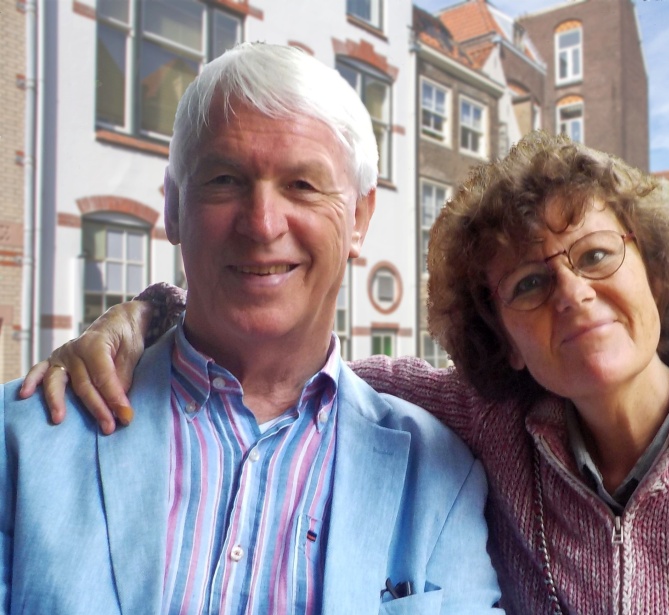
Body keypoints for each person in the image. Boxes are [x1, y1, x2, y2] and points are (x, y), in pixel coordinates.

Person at [23, 132, 669, 613]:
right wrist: (146, 317)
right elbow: (298, 360)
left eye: (596, 254)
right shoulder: (493, 421)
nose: (572, 293)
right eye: (530, 283)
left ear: (653, 272)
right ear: (504, 339)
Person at [1, 42, 504, 614]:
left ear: (360, 218)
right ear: (172, 206)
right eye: (224, 179)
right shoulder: (21, 438)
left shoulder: (442, 478)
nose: (262, 225)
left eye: (303, 185)